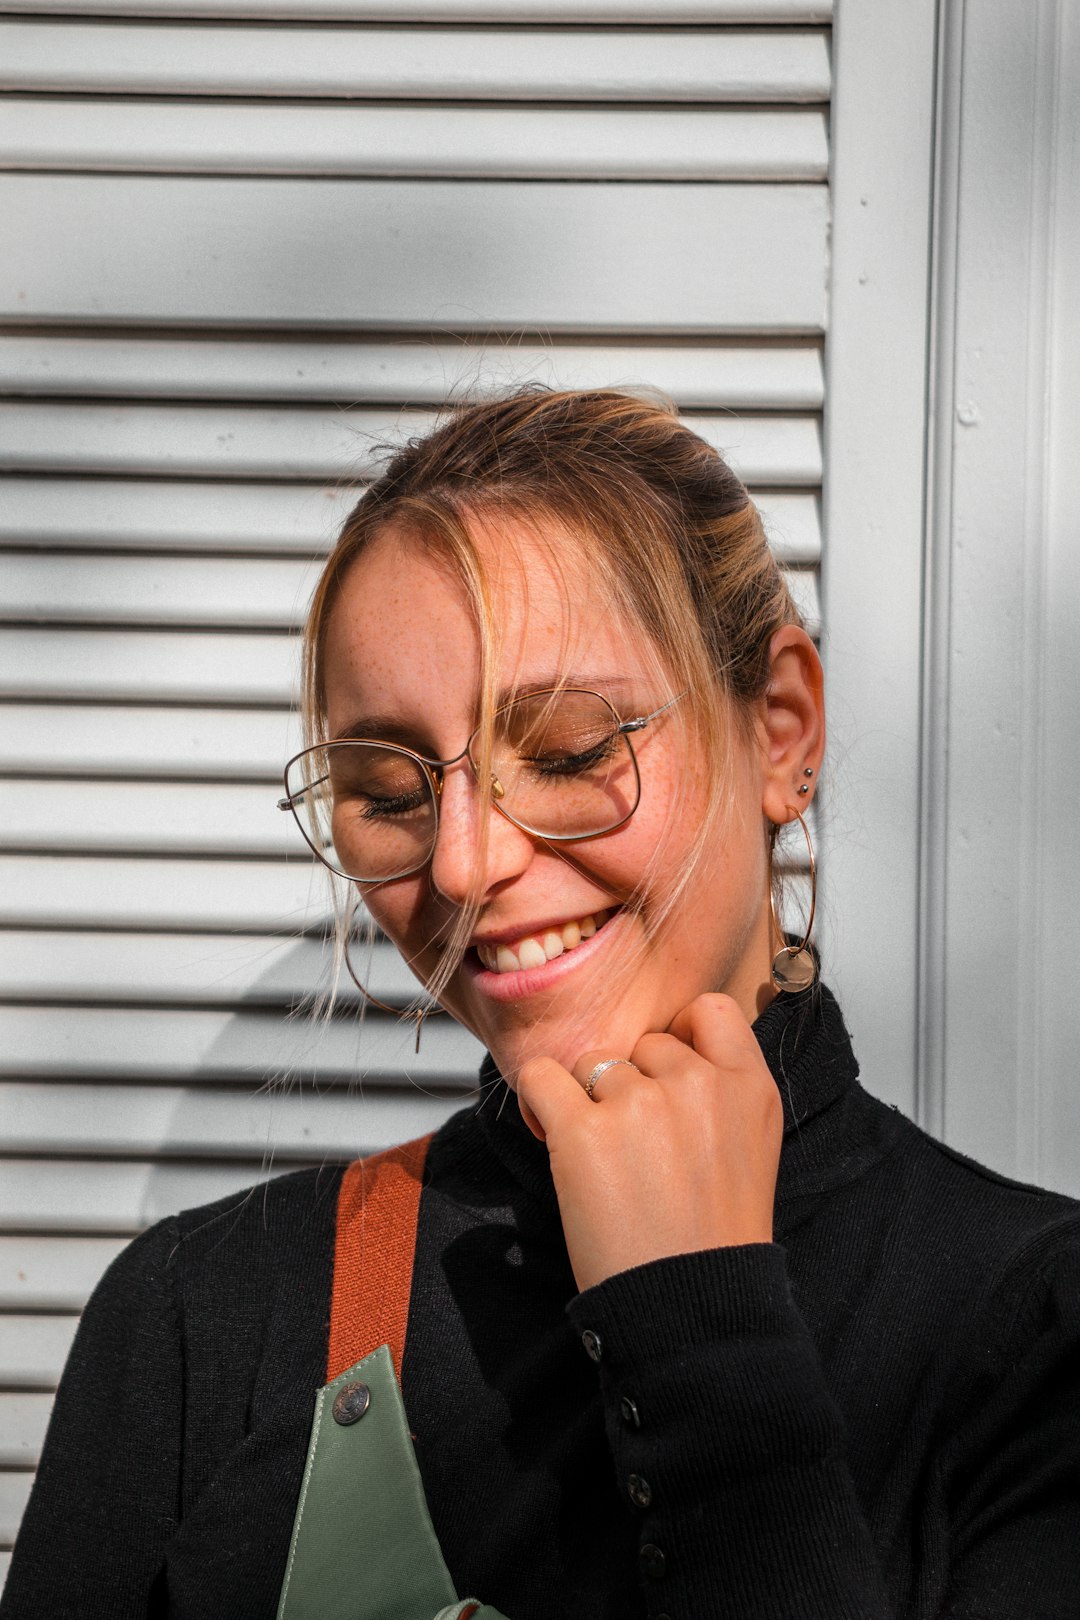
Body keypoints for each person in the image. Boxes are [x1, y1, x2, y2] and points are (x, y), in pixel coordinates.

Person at [4, 388, 1080, 1620]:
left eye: (568, 752)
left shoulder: (1031, 1338)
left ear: (781, 728)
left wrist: (700, 1321)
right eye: (390, 788)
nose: (464, 866)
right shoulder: (203, 1321)